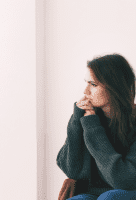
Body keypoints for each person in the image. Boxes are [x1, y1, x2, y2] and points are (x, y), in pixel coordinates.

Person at [56, 53, 136, 200]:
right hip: (92, 193)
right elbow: (72, 171)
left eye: (93, 84)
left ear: (114, 87)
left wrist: (92, 127)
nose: (85, 91)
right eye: (86, 83)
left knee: (109, 197)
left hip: (128, 191)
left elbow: (123, 180)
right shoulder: (87, 116)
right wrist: (76, 119)